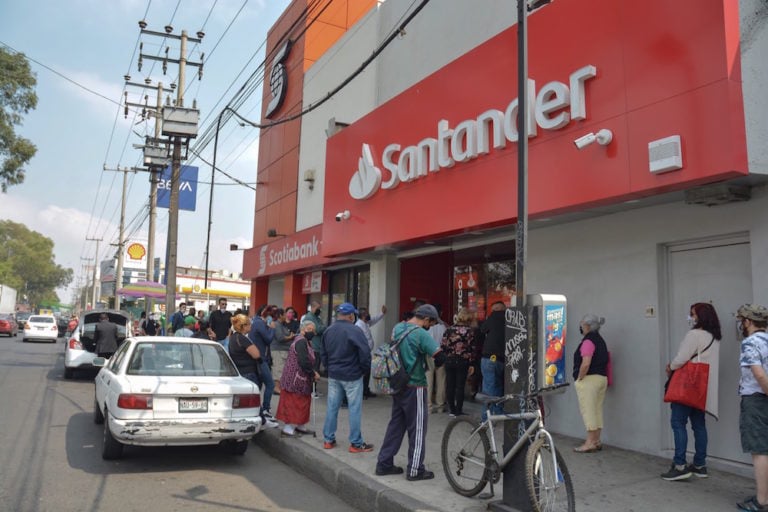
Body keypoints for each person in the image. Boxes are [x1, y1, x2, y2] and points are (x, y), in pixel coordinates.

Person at [376, 304, 446, 481]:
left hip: (398, 383)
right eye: (431, 322)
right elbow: (439, 357)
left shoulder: (398, 327)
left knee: (396, 425)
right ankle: (415, 469)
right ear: (426, 319)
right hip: (416, 385)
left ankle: (383, 464)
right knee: (418, 428)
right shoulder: (421, 333)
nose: (431, 325)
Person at [661, 302, 721, 481]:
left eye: (692, 314)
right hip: (701, 388)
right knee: (699, 425)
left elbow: (681, 358)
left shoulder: (694, 334)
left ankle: (680, 465)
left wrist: (670, 366)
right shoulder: (714, 337)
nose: (690, 317)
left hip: (686, 387)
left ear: (700, 317)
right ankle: (700, 464)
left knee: (678, 422)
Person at [320, 302, 373, 453]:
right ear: (351, 315)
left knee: (332, 407)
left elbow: (323, 353)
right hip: (352, 375)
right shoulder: (355, 330)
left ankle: (328, 440)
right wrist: (363, 371)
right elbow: (365, 354)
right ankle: (355, 443)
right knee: (354, 409)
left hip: (334, 375)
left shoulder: (328, 330)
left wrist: (329, 368)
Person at [735, 304, 768, 511]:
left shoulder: (750, 343)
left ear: (748, 322)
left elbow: (759, 374)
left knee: (760, 450)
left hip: (756, 399)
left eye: (741, 320)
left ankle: (762, 501)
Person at [228, 313, 278, 429]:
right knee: (254, 397)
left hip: (242, 371)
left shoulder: (233, 338)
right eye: (248, 324)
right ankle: (263, 421)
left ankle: (261, 419)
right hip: (249, 371)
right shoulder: (242, 338)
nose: (250, 326)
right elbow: (256, 354)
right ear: (243, 326)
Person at [572, 314, 610, 453]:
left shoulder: (588, 341)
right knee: (597, 410)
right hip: (601, 379)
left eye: (582, 324)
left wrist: (580, 377)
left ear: (587, 326)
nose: (581, 327)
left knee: (588, 411)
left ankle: (589, 442)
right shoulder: (600, 340)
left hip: (589, 380)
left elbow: (586, 363)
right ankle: (596, 440)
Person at [276, 319, 321, 437]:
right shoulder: (301, 341)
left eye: (313, 330)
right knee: (293, 402)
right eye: (309, 329)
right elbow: (303, 361)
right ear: (302, 330)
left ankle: (300, 425)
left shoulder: (305, 341)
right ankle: (288, 427)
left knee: (303, 401)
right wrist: (313, 373)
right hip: (295, 378)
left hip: (301, 377)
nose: (312, 332)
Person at [441, 307, 478, 417]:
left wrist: (445, 358)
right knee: (460, 386)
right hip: (463, 360)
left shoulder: (449, 329)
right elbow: (472, 348)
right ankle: (458, 410)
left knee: (450, 385)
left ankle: (451, 409)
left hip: (449, 360)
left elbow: (443, 345)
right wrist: (472, 363)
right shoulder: (470, 331)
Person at [249, 305, 277, 420]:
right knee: (270, 384)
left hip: (260, 358)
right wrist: (272, 328)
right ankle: (265, 409)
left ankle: (258, 409)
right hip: (260, 359)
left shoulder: (258, 322)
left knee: (259, 385)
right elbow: (269, 339)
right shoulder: (259, 323)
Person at [480, 301, 507, 417]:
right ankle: (499, 412)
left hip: (489, 357)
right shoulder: (510, 319)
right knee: (499, 386)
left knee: (488, 388)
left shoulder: (492, 317)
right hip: (503, 358)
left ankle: (486, 418)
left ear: (495, 309)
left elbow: (482, 329)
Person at [355, 305, 387, 398]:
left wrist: (382, 313)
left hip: (366, 352)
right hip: (362, 353)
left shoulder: (365, 323)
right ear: (363, 315)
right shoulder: (359, 325)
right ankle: (362, 392)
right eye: (367, 313)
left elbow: (373, 320)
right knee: (364, 373)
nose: (369, 315)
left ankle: (365, 390)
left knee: (367, 372)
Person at [426, 304, 447, 413]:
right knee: (441, 382)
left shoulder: (427, 326)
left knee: (428, 382)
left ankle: (429, 406)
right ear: (441, 313)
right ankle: (440, 406)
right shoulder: (443, 326)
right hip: (441, 355)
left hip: (429, 355)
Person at [272, 308, 294, 394]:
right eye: (285, 314)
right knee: (278, 368)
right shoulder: (277, 325)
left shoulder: (282, 325)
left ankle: (280, 387)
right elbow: (280, 338)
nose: (286, 316)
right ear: (280, 315)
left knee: (282, 369)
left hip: (283, 350)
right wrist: (290, 337)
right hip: (278, 350)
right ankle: (276, 388)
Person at [302, 300, 326, 370]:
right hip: (313, 346)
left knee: (317, 367)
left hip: (318, 346)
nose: (319, 310)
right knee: (314, 369)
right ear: (312, 308)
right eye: (318, 308)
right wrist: (323, 327)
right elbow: (317, 329)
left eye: (320, 308)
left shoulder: (317, 318)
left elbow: (319, 328)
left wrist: (321, 328)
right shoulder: (309, 317)